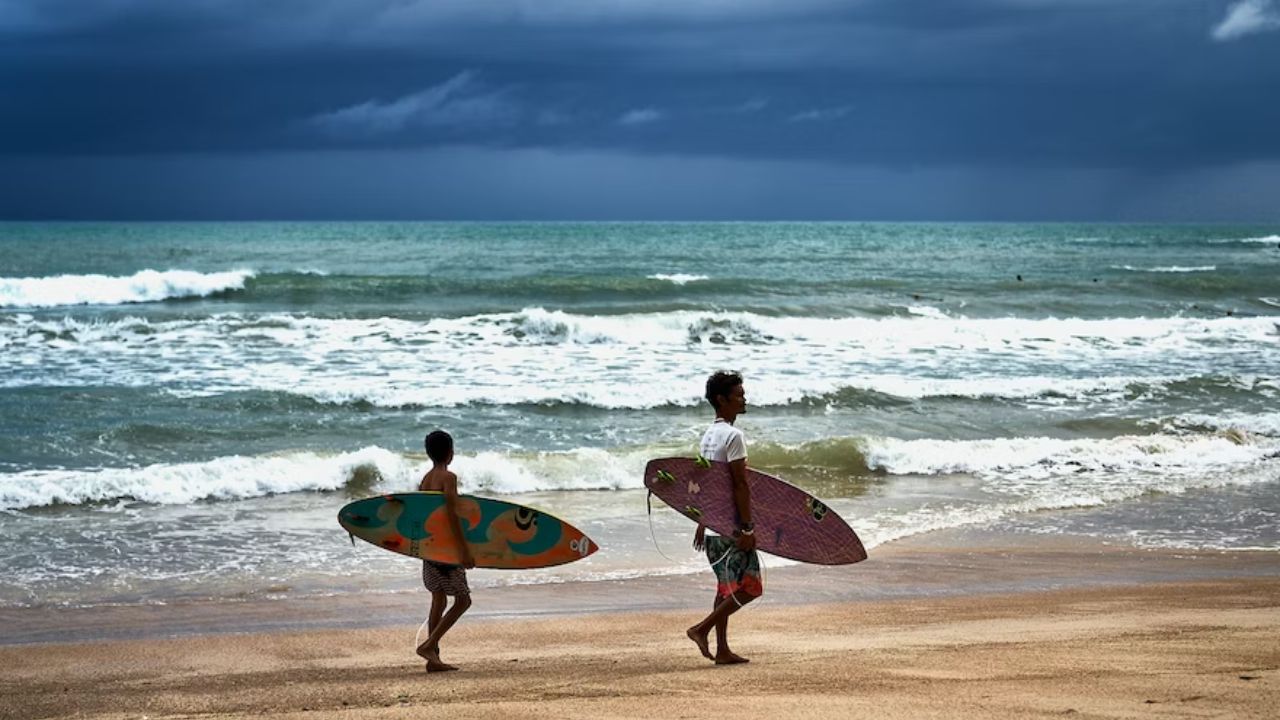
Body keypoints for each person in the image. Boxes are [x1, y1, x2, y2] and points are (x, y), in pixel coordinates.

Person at [686, 370, 762, 665]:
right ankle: (700, 629)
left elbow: (708, 483)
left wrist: (702, 521)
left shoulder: (709, 435)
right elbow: (738, 485)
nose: (744, 399)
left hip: (714, 525)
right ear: (722, 399)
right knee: (751, 588)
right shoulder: (733, 436)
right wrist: (747, 527)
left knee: (725, 589)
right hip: (731, 526)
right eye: (739, 395)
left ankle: (722, 650)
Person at [415, 429, 476, 673]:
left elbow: (421, 516)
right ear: (450, 452)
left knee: (438, 598)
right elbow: (452, 516)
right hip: (446, 550)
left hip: (429, 548)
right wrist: (464, 551)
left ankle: (434, 660)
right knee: (463, 600)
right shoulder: (448, 478)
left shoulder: (425, 479)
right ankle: (429, 646)